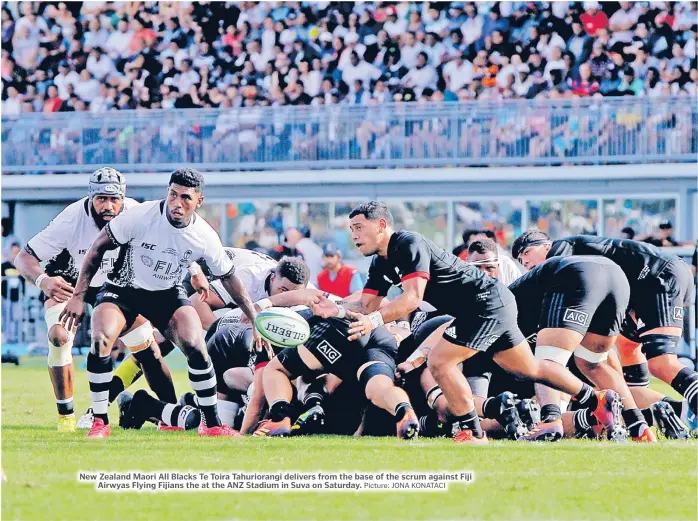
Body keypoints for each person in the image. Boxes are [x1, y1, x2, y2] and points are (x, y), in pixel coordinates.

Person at [312, 201, 622, 444]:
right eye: (350, 228)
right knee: (529, 368)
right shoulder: (380, 262)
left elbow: (412, 298)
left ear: (381, 225)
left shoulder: (407, 244)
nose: (352, 234)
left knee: (439, 362)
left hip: (484, 303)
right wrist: (336, 306)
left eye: (358, 227)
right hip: (489, 304)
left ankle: (472, 432)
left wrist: (372, 321)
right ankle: (597, 398)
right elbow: (366, 303)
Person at [59, 168, 267, 438]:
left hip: (166, 294)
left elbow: (228, 276)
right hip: (123, 290)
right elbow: (98, 248)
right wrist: (77, 295)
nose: (176, 203)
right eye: (172, 195)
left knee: (195, 346)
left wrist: (253, 318)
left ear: (199, 202)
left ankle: (212, 425)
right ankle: (100, 422)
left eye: (185, 198)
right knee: (101, 341)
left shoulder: (204, 235)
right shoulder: (140, 216)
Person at [13, 168, 167, 432]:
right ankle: (66, 417)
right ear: (90, 196)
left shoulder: (137, 214)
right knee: (59, 337)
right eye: (101, 199)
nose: (108, 206)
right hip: (69, 282)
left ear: (124, 198)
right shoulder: (71, 218)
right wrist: (44, 281)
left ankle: (162, 414)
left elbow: (169, 243)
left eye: (114, 199)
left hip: (113, 286)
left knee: (147, 348)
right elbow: (24, 258)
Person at [513, 230, 698, 418]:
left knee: (661, 363)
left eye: (527, 252)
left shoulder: (560, 249)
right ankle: (668, 412)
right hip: (639, 291)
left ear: (546, 246)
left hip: (656, 276)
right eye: (520, 260)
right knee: (626, 358)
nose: (524, 261)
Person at [508, 255, 653, 441]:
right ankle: (638, 426)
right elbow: (608, 358)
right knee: (593, 363)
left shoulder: (490, 329)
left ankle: (551, 421)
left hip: (575, 274)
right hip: (616, 276)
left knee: (546, 362)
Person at [255, 307, 420, 440]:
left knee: (276, 369)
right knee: (378, 389)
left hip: (344, 331)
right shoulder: (336, 300)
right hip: (380, 335)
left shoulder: (307, 314)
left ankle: (280, 420)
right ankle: (403, 409)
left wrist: (263, 304)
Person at [2, 242, 24, 343]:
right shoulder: (4, 266)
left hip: (18, 297)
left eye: (17, 252)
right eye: (14, 252)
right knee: (6, 318)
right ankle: (7, 337)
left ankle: (17, 337)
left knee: (17, 318)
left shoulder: (21, 266)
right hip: (6, 297)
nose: (15, 254)